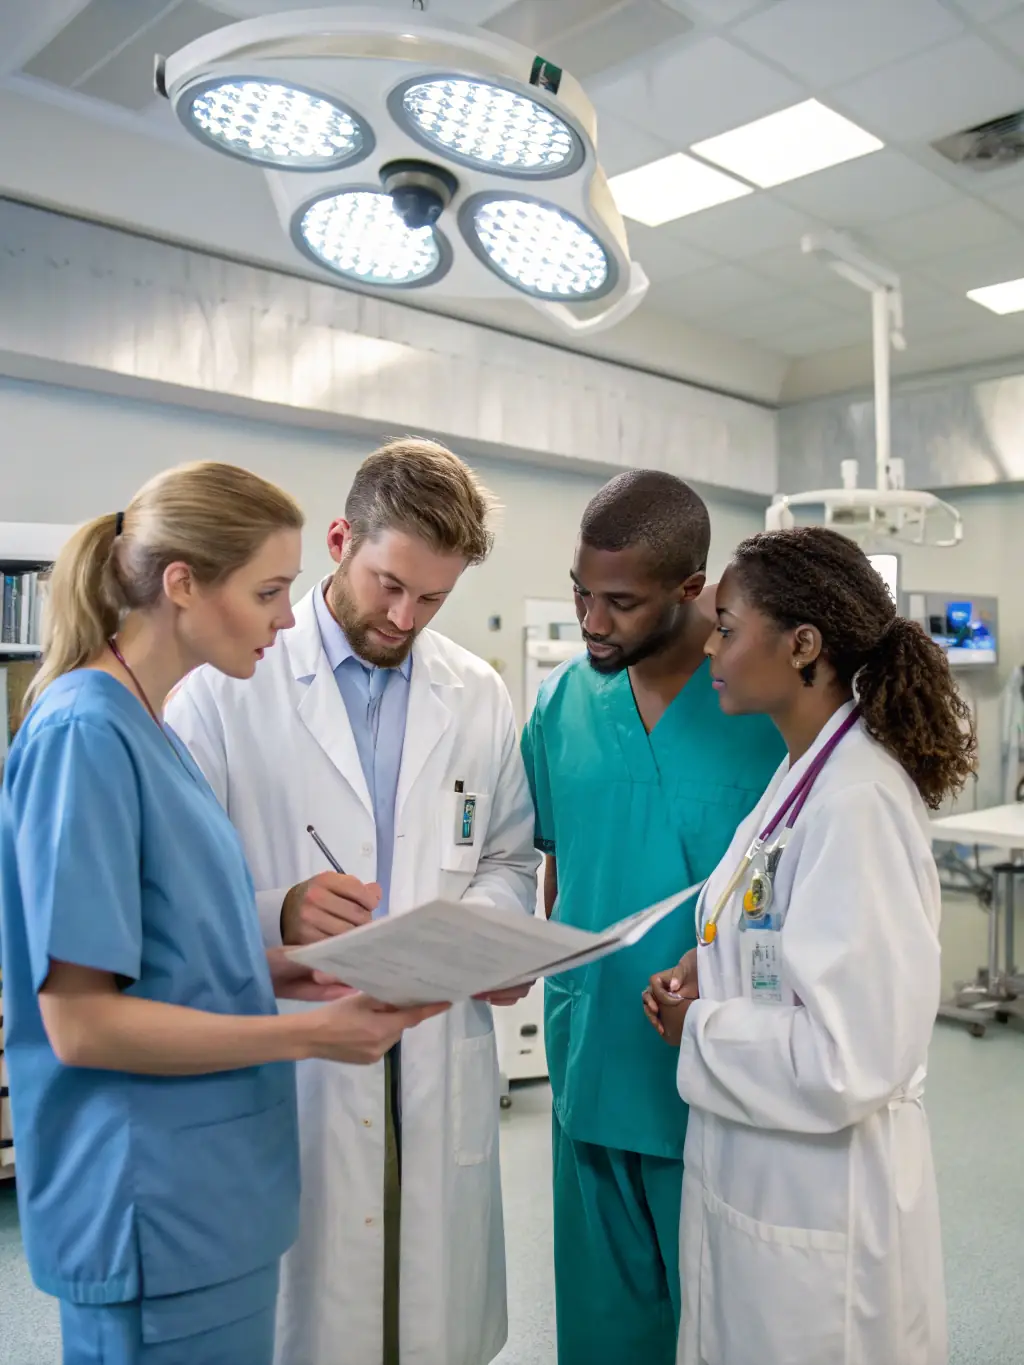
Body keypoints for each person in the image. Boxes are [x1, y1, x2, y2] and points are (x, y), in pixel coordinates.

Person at [0, 462, 444, 1365]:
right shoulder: (85, 734)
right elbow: (81, 1022)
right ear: (182, 584)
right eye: (269, 591)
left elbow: (163, 948)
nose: (289, 617)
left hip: (211, 1199)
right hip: (150, 1204)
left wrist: (281, 970)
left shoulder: (147, 727)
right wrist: (311, 1035)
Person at [165, 437, 539, 1365]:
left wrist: (487, 932)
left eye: (433, 597)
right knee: (309, 1319)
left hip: (432, 1049)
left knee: (430, 1316)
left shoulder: (478, 693)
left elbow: (506, 854)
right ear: (340, 539)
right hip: (296, 1050)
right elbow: (169, 890)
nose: (406, 615)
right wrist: (278, 910)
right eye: (388, 584)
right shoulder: (222, 685)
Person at [644, 526, 973, 1365]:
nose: (711, 645)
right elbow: (772, 925)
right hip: (765, 1176)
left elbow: (848, 1058)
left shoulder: (856, 800)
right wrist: (706, 961)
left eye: (727, 625)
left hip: (824, 1204)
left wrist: (701, 1027)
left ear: (803, 645)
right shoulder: (802, 774)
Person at [519, 470, 786, 1365]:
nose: (592, 621)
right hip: (593, 1068)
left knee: (725, 1331)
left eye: (620, 602)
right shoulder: (564, 703)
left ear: (690, 588)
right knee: (604, 1336)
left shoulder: (765, 705)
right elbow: (560, 867)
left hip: (719, 1080)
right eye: (580, 593)